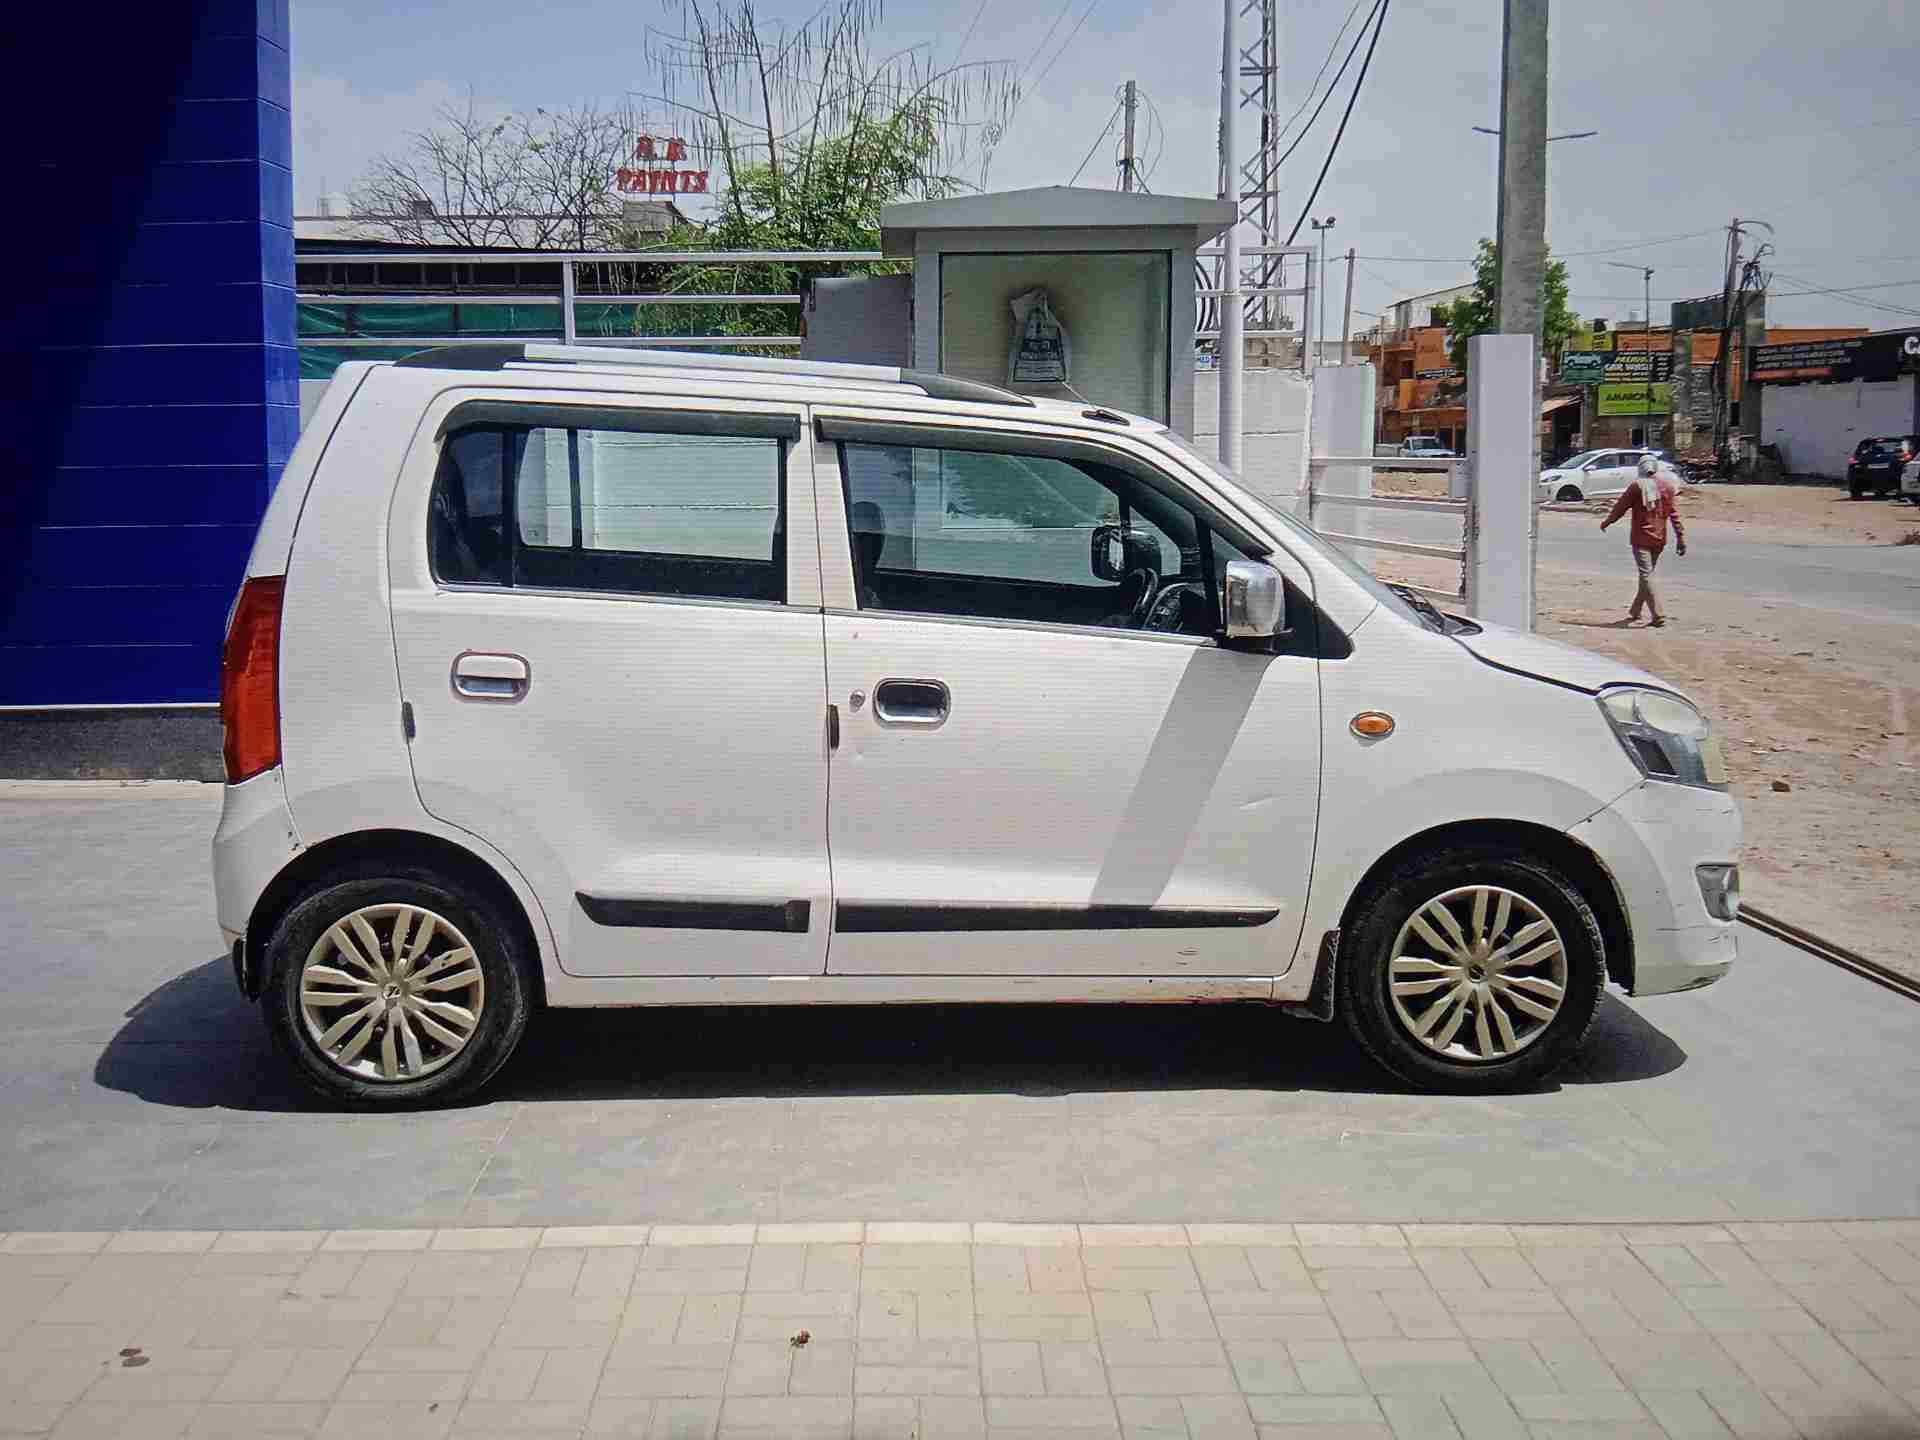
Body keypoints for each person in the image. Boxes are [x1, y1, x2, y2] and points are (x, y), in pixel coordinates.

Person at [1600, 454, 1686, 626]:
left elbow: (1620, 508)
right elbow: (1674, 514)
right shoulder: (1668, 487)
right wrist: (1680, 537)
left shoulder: (1637, 486)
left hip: (1641, 538)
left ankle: (1658, 615)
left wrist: (1607, 522)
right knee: (1647, 575)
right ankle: (1635, 610)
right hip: (1660, 538)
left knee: (1646, 576)